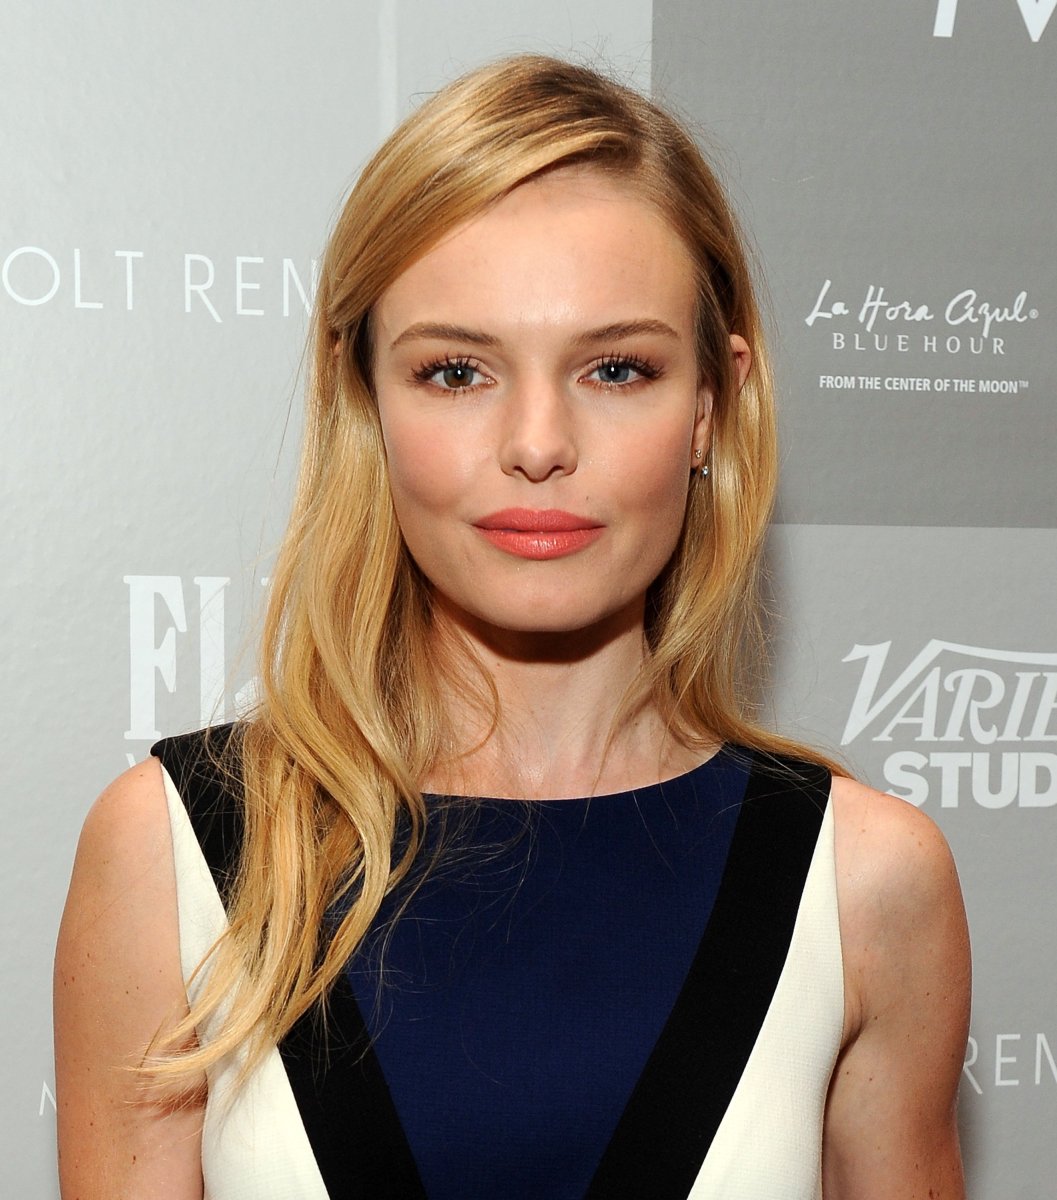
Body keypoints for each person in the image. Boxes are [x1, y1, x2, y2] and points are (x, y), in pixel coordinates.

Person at [53, 54, 970, 1200]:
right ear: (363, 397)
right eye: (455, 372)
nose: (538, 444)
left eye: (616, 368)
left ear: (710, 402)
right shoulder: (178, 851)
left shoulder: (866, 880)